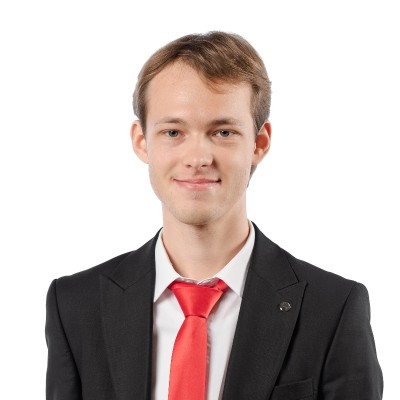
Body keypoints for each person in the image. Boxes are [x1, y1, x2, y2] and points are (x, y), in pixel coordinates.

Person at [45, 31, 383, 400]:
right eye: (173, 131)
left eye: (223, 132)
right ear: (142, 142)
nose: (198, 158)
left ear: (259, 143)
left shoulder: (333, 309)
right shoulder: (75, 306)